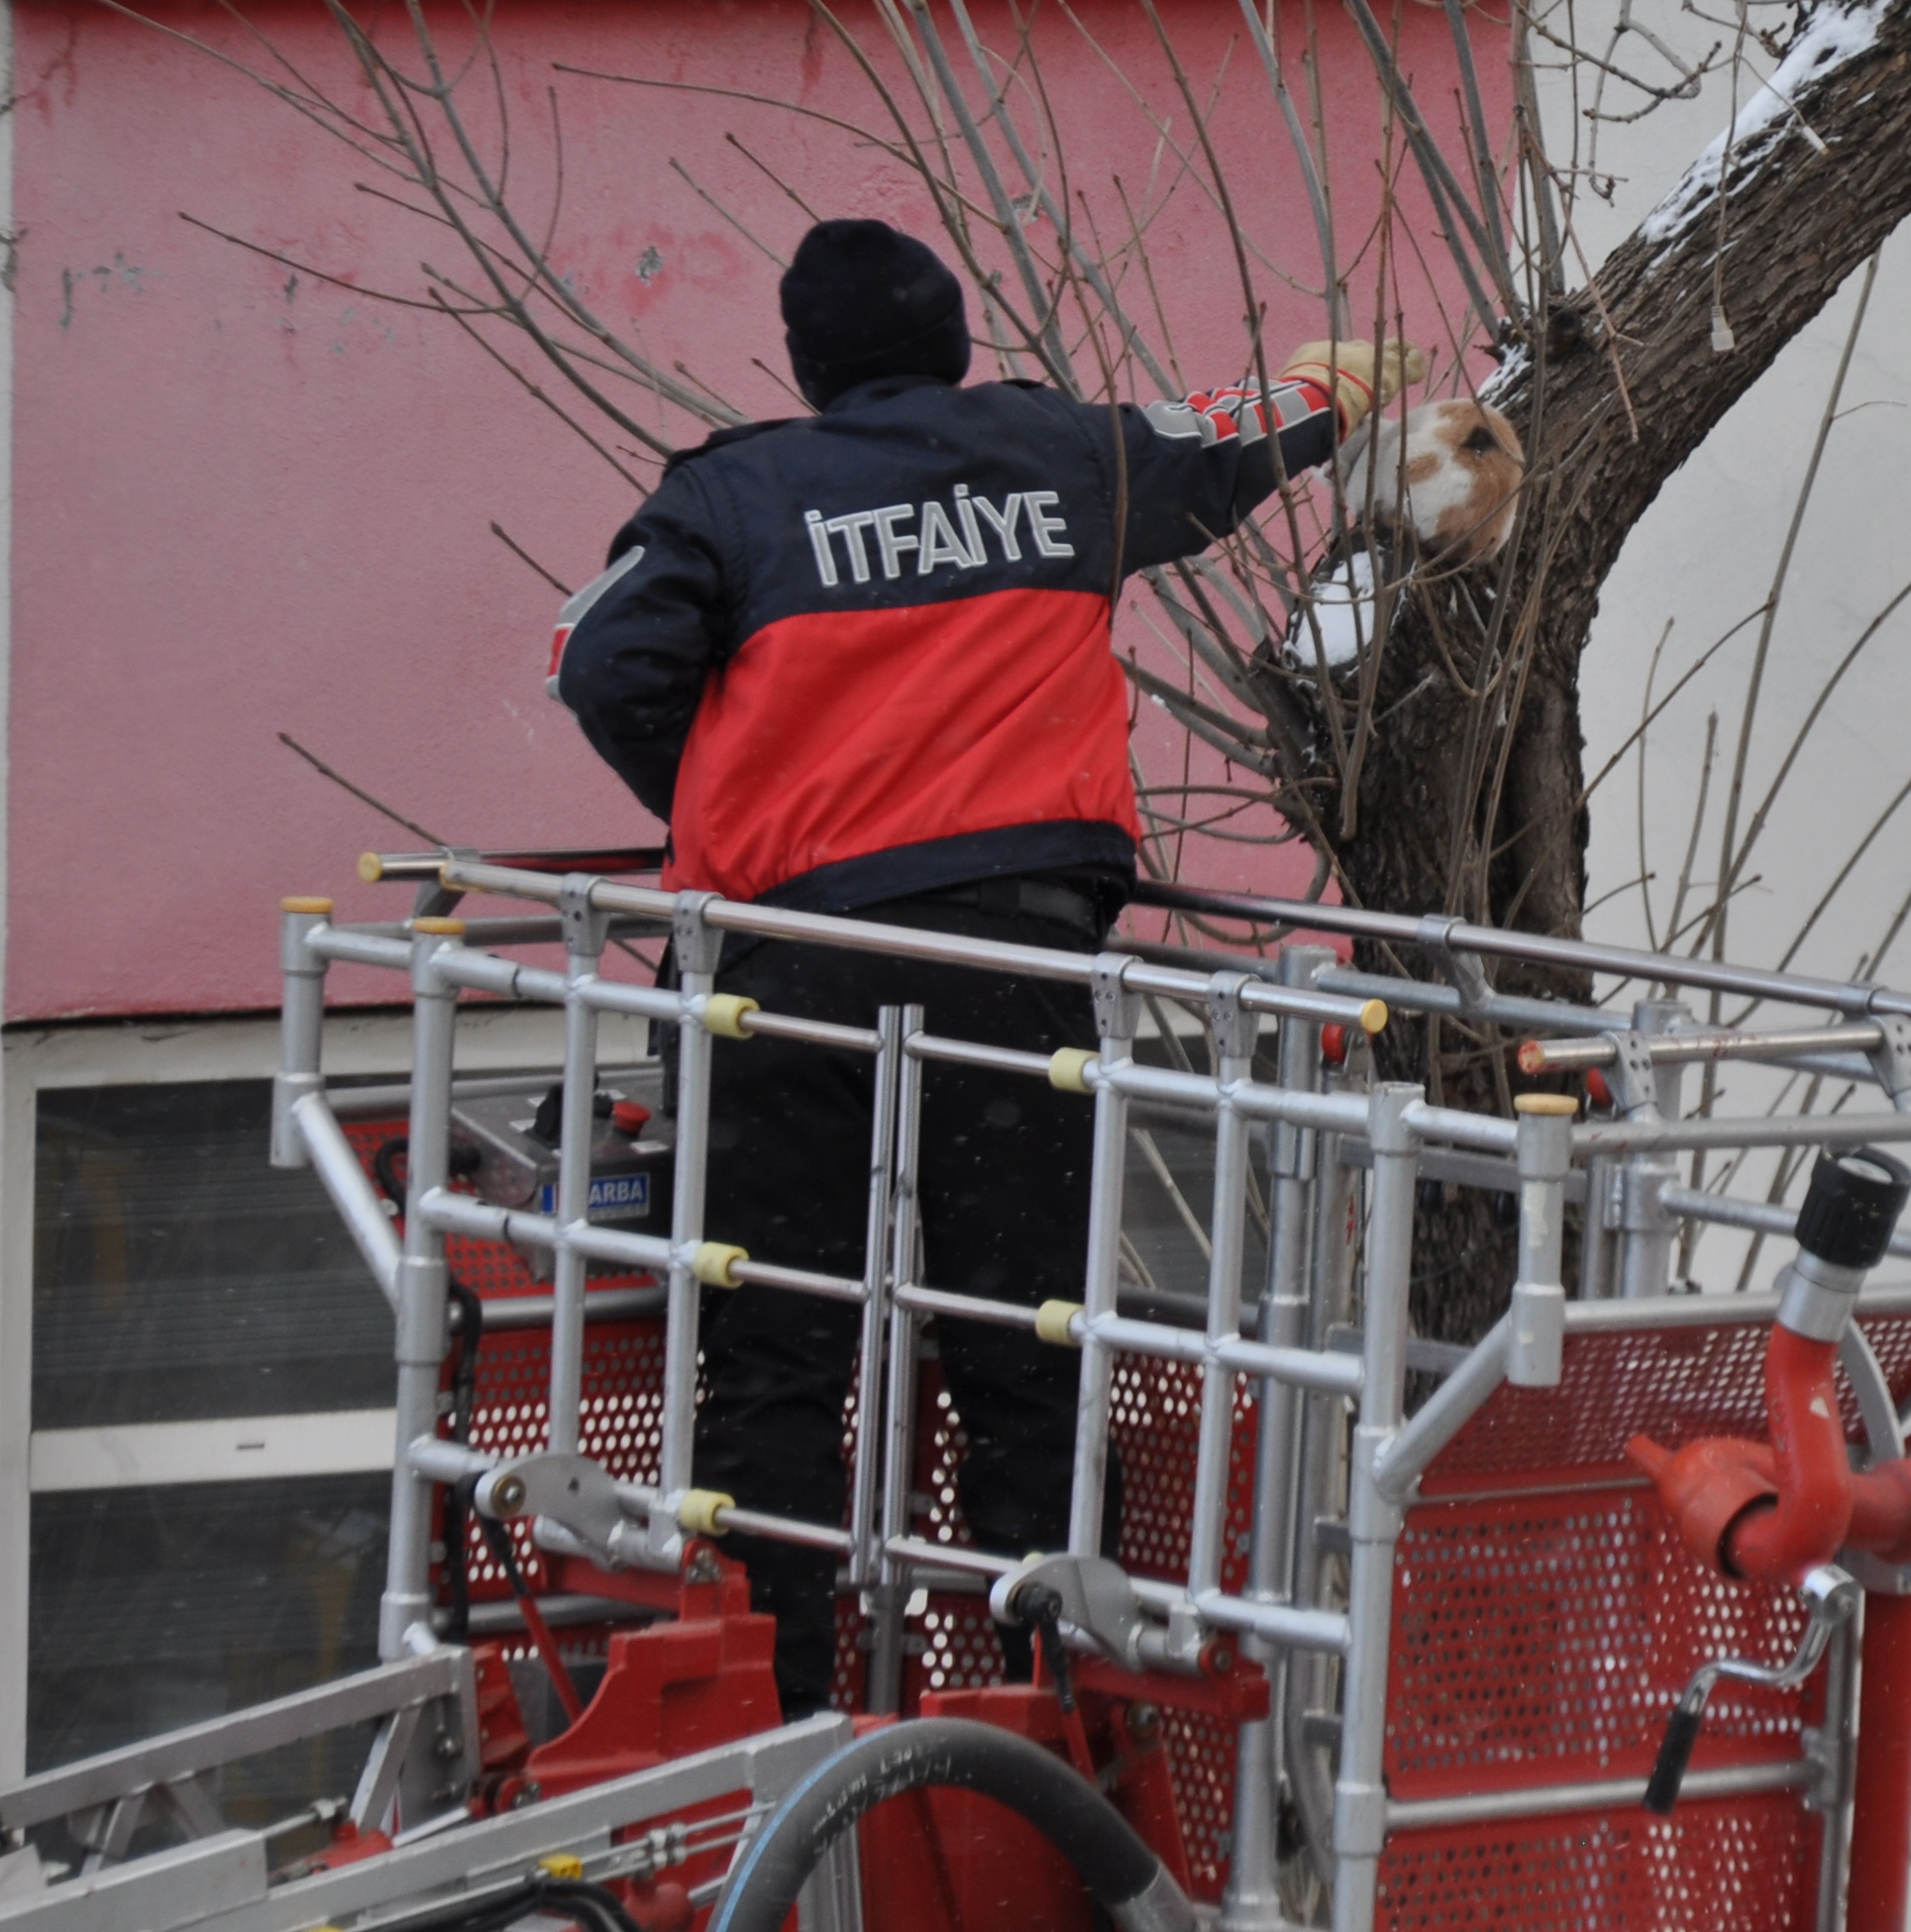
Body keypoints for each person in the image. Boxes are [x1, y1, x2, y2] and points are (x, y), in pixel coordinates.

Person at [547, 220, 1415, 1709]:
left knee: (778, 1345)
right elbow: (1224, 438)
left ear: (812, 369)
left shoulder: (733, 494)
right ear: (952, 341)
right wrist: (1341, 394)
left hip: (790, 970)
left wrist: (728, 805)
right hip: (1016, 963)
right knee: (1029, 1336)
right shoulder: (1058, 452)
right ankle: (1042, 1704)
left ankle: (789, 1707)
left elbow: (598, 661)